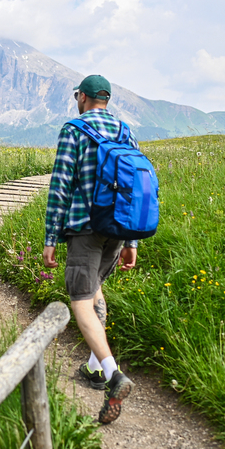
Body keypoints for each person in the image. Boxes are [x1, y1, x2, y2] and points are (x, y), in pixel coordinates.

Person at [42, 74, 137, 424]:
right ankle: (95, 368)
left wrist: (51, 238)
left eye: (77, 97)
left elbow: (60, 186)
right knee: (95, 288)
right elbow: (134, 188)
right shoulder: (125, 132)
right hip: (118, 229)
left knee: (80, 300)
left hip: (85, 228)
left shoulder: (74, 130)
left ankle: (113, 375)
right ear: (106, 100)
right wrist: (131, 241)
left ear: (82, 97)